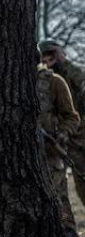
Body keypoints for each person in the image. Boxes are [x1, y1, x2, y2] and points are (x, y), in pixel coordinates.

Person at [36, 57, 81, 237]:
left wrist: (62, 135)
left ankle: (67, 231)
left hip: (51, 152)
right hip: (25, 156)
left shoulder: (54, 81)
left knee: (58, 196)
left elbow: (71, 117)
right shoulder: (11, 84)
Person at [40, 38, 85, 219]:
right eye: (46, 56)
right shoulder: (46, 80)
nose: (50, 59)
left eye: (53, 54)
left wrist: (63, 62)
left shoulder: (70, 73)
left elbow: (81, 82)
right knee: (78, 184)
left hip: (80, 130)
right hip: (65, 139)